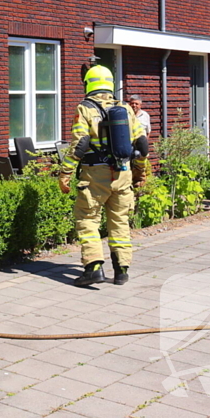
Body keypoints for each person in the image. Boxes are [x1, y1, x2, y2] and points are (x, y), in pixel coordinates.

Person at [59, 65, 148, 287]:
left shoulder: (85, 108)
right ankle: (121, 271)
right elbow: (142, 143)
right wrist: (140, 171)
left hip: (95, 174)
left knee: (88, 219)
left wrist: (65, 173)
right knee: (120, 222)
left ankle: (94, 268)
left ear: (88, 83)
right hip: (123, 173)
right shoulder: (126, 108)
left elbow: (79, 144)